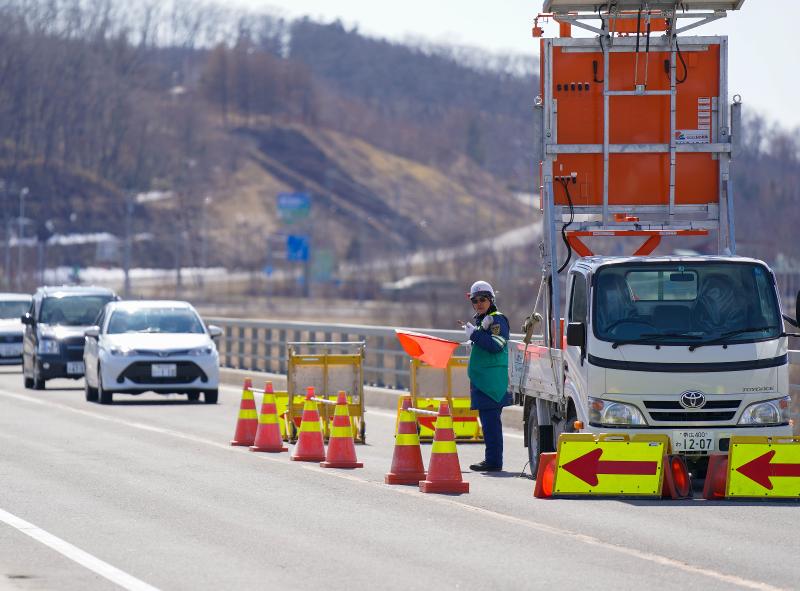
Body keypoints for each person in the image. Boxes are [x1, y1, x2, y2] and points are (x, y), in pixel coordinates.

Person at [463, 280, 512, 472]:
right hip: (484, 382)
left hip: (492, 383)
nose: (479, 303)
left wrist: (475, 335)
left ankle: (493, 461)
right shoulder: (482, 321)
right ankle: (491, 458)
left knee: (491, 423)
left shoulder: (497, 319)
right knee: (488, 423)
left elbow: (496, 345)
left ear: (491, 299)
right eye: (475, 300)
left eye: (483, 299)